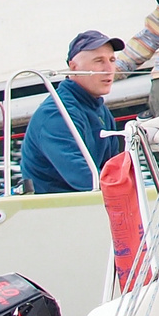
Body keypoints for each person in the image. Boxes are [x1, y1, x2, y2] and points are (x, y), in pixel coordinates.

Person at [19, 31, 125, 194]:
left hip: (85, 205)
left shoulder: (98, 109)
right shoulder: (57, 114)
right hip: (54, 210)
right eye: (99, 61)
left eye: (112, 60)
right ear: (74, 67)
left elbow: (114, 169)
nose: (109, 69)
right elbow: (86, 180)